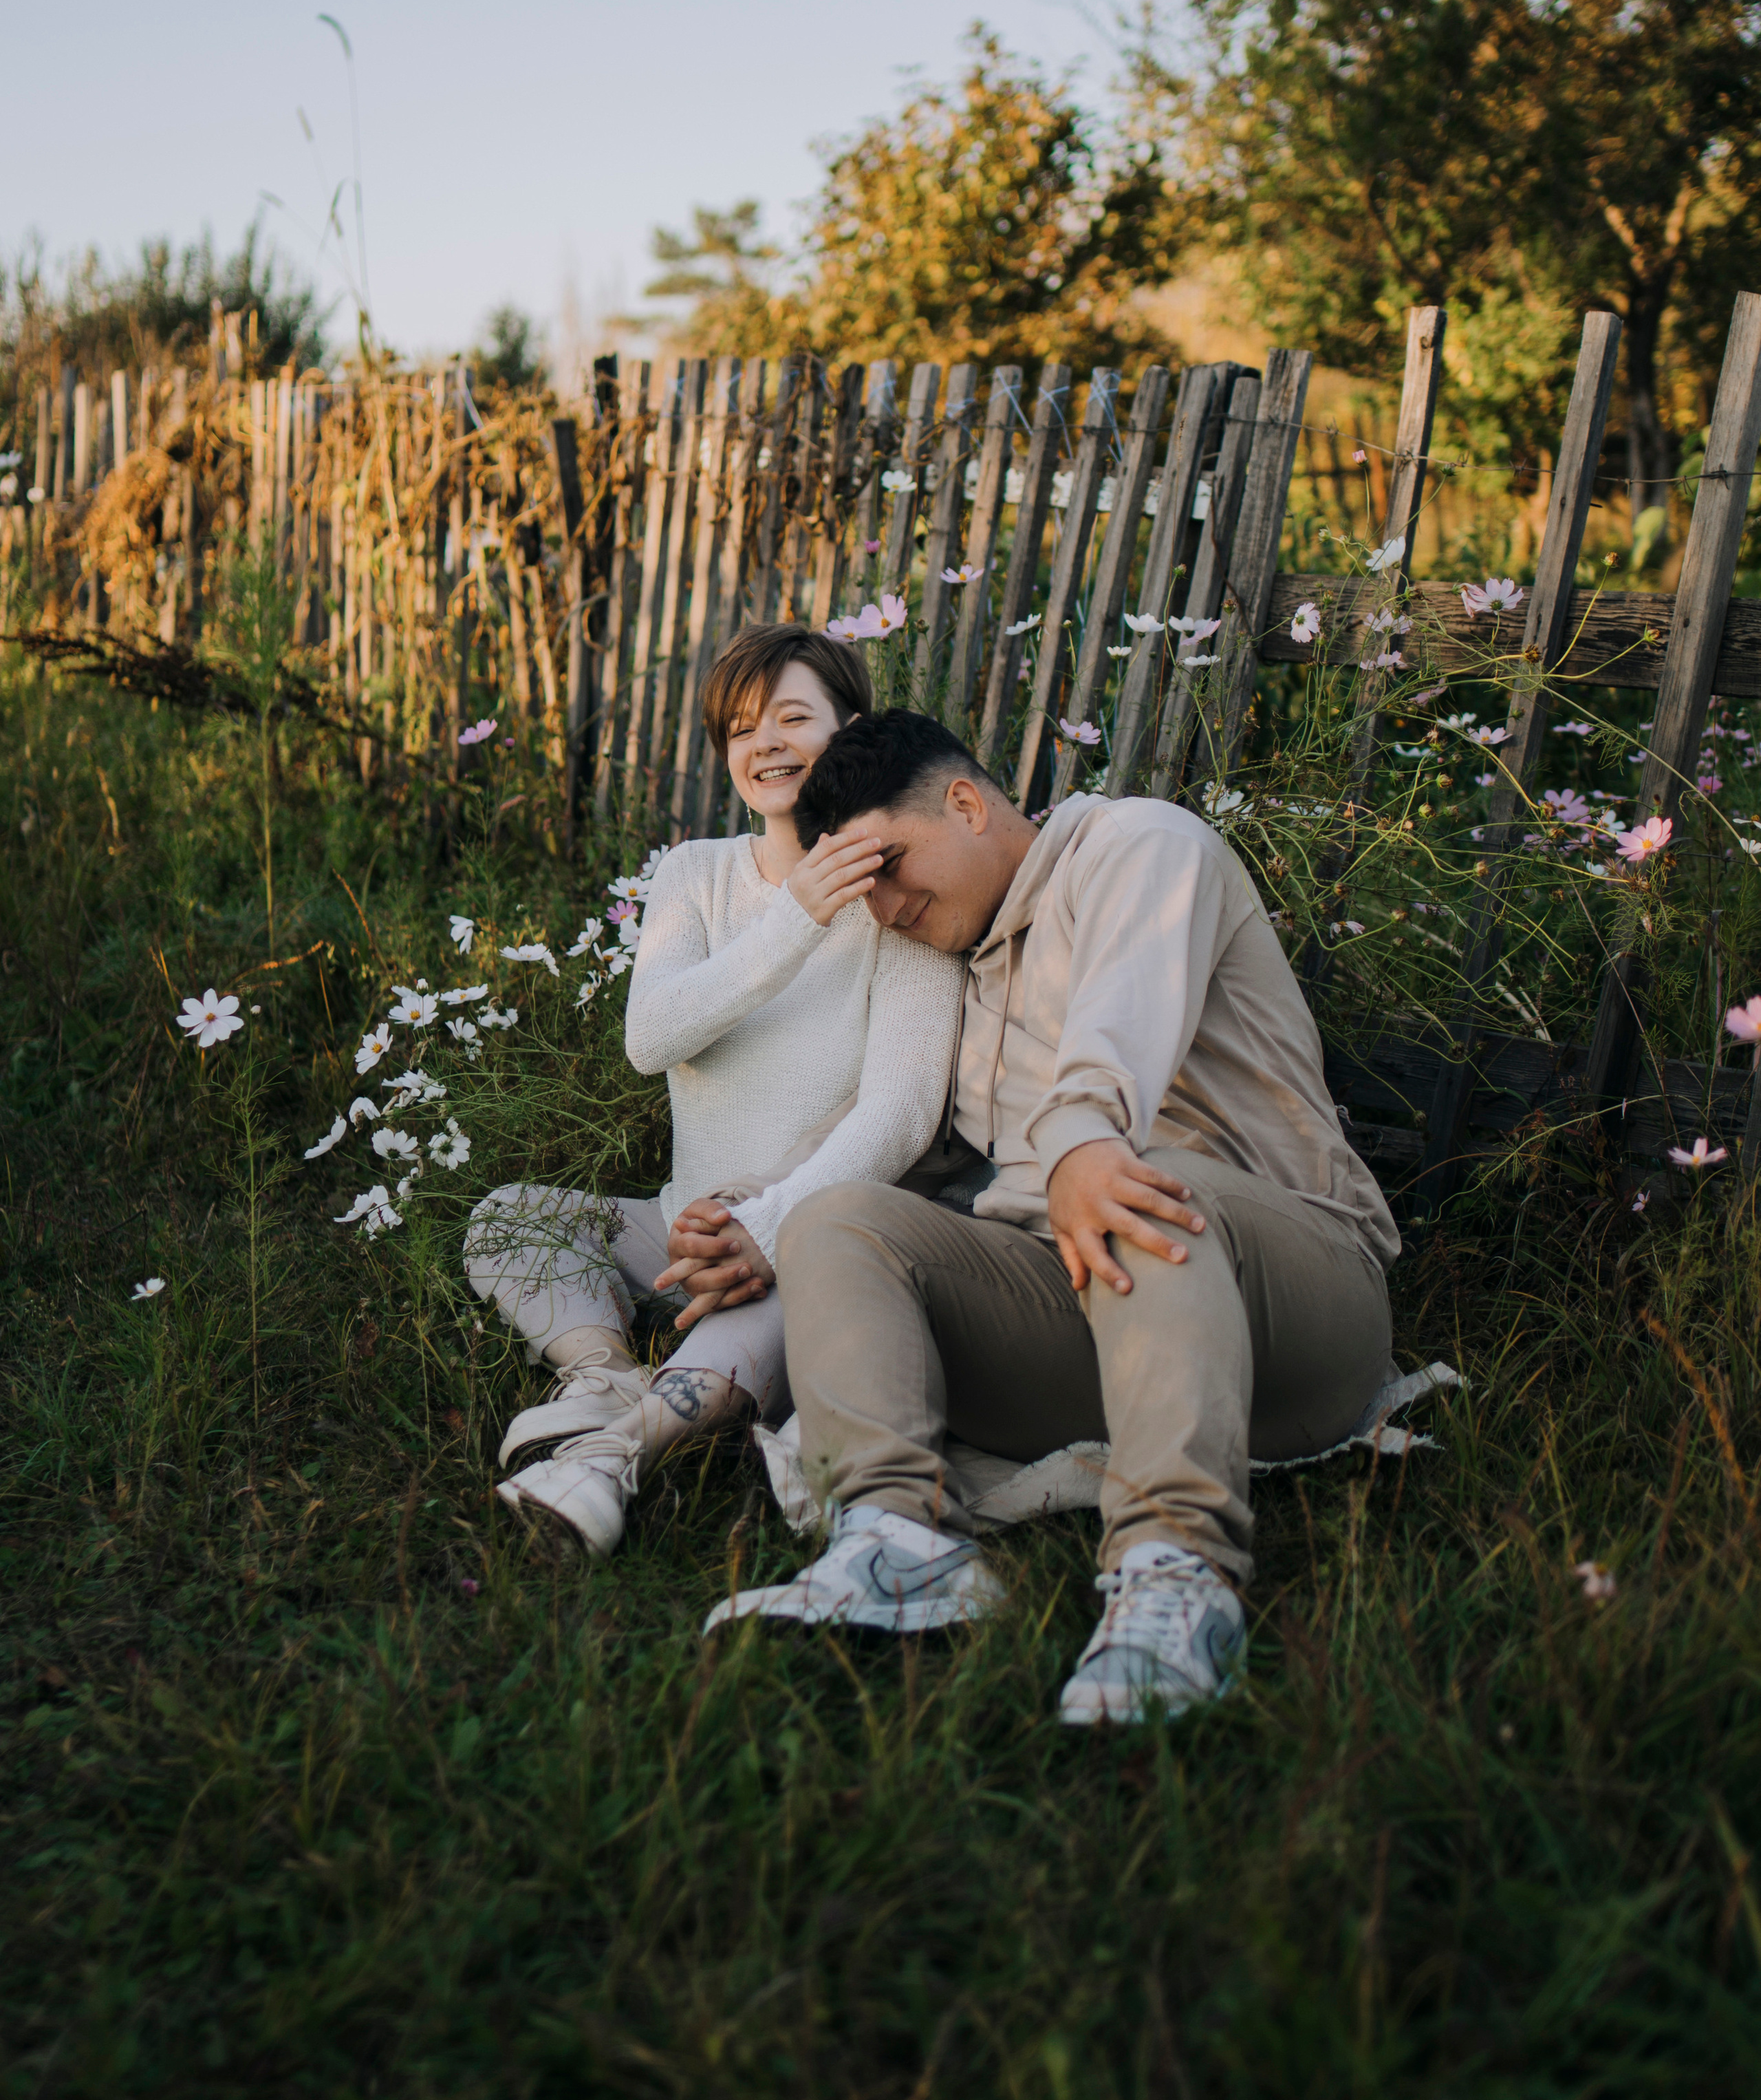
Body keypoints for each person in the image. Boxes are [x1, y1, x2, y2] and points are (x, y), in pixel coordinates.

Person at [703, 709, 1401, 1726]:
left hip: (1296, 1298)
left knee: (1133, 1179)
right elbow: (916, 1160)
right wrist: (756, 1218)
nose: (887, 906)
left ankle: (1177, 1576)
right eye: (867, 889)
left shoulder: (1139, 847)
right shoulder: (963, 974)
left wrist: (1079, 1142)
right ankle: (895, 1544)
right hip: (1096, 1318)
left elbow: (1118, 1031)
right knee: (837, 1220)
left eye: (892, 864)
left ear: (967, 801)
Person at [468, 630, 964, 1560]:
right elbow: (651, 1038)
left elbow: (902, 1113)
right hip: (675, 1223)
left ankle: (616, 1460)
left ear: (849, 728)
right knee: (508, 1219)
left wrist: (769, 1223)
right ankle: (600, 1377)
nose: (764, 745)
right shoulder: (695, 874)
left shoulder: (898, 896)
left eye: (792, 717)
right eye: (740, 728)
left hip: (807, 1232)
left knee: (782, 1290)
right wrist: (796, 919)